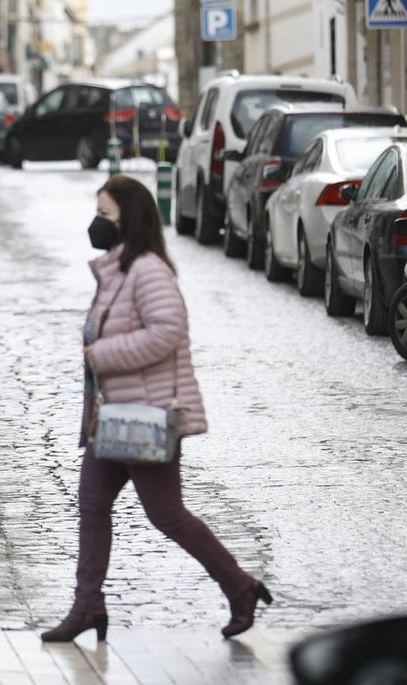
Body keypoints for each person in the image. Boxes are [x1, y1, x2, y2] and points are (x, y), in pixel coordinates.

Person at [40, 175, 271, 643]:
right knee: (91, 506)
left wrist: (103, 353)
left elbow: (167, 332)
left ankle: (240, 587)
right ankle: (88, 607)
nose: (96, 222)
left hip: (143, 417)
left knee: (167, 514)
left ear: (130, 217)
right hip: (112, 417)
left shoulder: (147, 269)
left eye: (105, 214)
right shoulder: (118, 268)